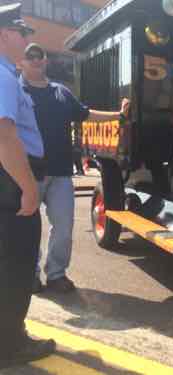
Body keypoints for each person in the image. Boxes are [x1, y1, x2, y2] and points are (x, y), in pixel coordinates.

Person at [20, 43, 129, 293]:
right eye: (30, 56)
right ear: (22, 62)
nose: (36, 59)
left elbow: (85, 114)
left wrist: (118, 116)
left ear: (46, 60)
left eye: (41, 55)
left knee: (64, 227)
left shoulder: (61, 92)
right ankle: (30, 274)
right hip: (28, 173)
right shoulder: (14, 90)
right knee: (28, 228)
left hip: (59, 173)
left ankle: (56, 274)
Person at [0, 3, 56, 367]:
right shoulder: (4, 76)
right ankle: (10, 346)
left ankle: (9, 336)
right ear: (4, 34)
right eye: (22, 31)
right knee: (17, 266)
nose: (27, 37)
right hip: (11, 180)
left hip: (7, 179)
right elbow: (4, 135)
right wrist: (29, 187)